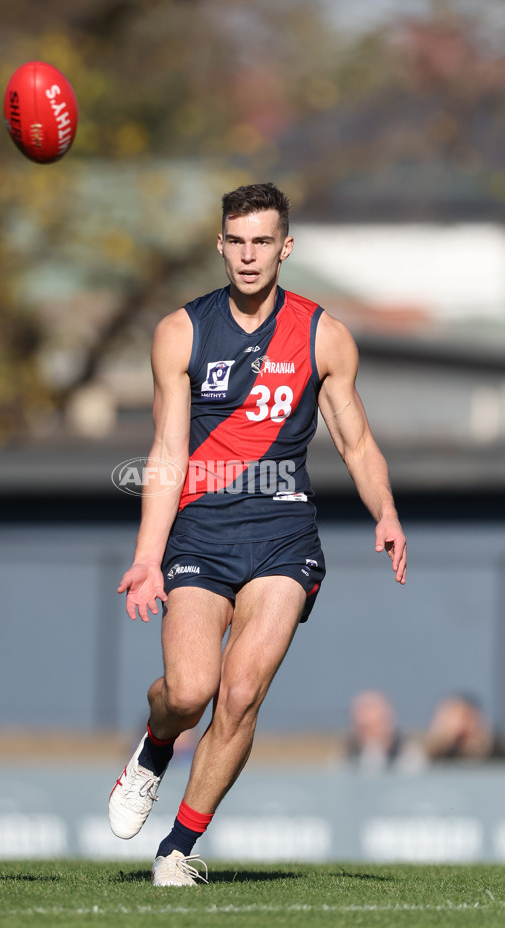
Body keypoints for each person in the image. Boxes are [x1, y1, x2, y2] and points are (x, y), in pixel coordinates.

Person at [109, 182, 407, 886]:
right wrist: (148, 558)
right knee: (188, 692)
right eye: (236, 242)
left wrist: (386, 510)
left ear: (286, 247)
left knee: (240, 694)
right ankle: (154, 746)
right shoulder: (180, 332)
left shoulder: (321, 334)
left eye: (262, 242)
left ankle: (176, 849)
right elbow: (166, 453)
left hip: (283, 536)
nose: (248, 256)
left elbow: (356, 440)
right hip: (200, 535)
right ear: (221, 245)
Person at [345, 690, 425, 772]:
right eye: (362, 728)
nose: (370, 736)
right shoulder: (345, 754)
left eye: (374, 726)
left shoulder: (409, 752)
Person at [425, 693, 505, 761]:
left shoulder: (497, 749)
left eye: (466, 716)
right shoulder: (428, 751)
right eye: (452, 716)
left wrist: (480, 747)